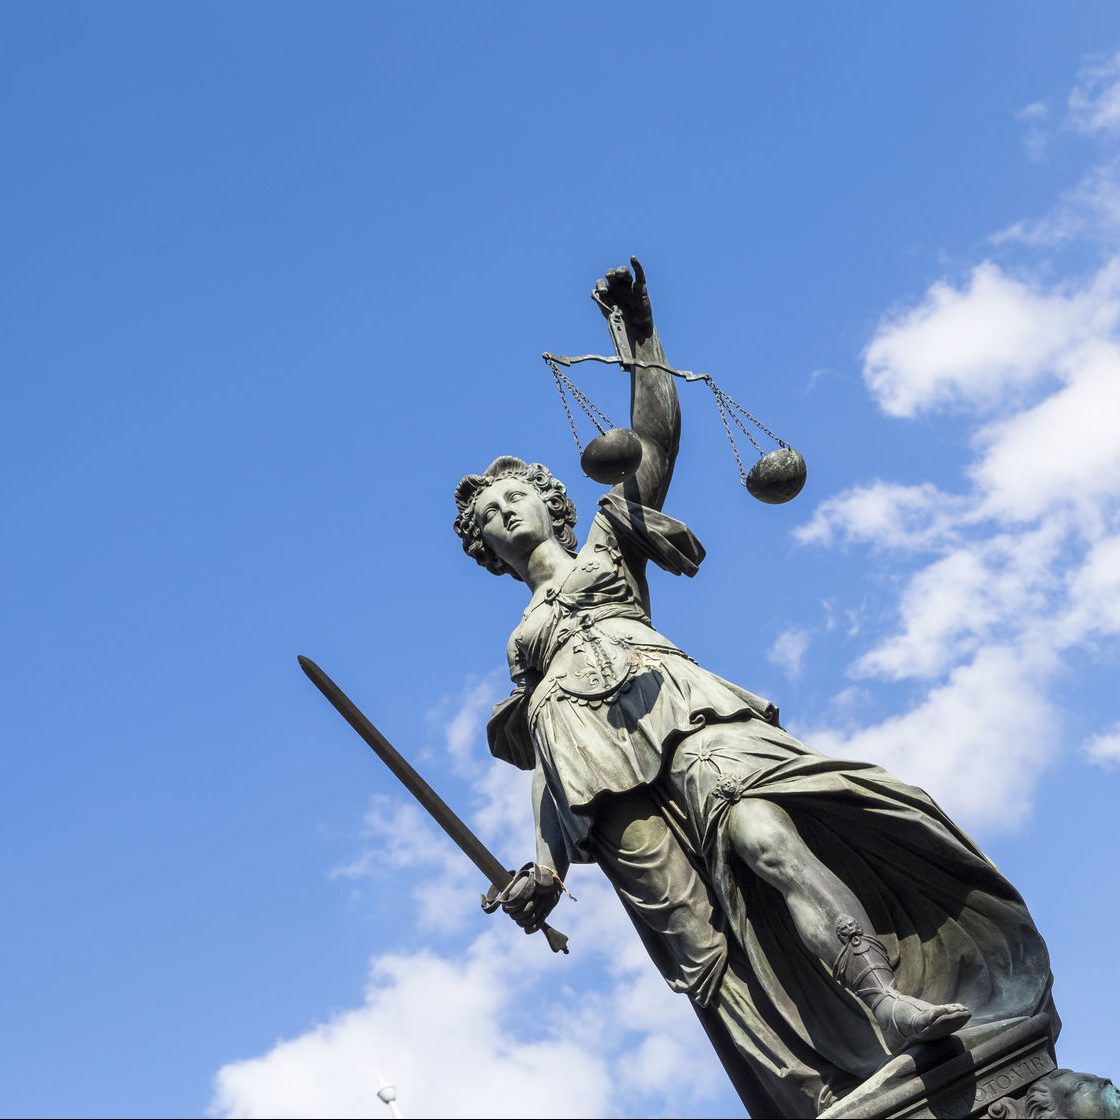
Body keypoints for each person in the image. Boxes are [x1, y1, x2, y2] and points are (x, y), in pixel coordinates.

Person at [453, 262, 1057, 1118]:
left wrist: (640, 334)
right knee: (701, 958)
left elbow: (655, 439)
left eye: (514, 497)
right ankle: (812, 1096)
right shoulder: (524, 657)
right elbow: (554, 770)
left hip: (687, 715)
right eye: (487, 519)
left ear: (551, 503)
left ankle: (886, 999)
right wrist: (545, 869)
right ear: (486, 552)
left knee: (766, 831)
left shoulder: (608, 544)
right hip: (598, 781)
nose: (502, 515)